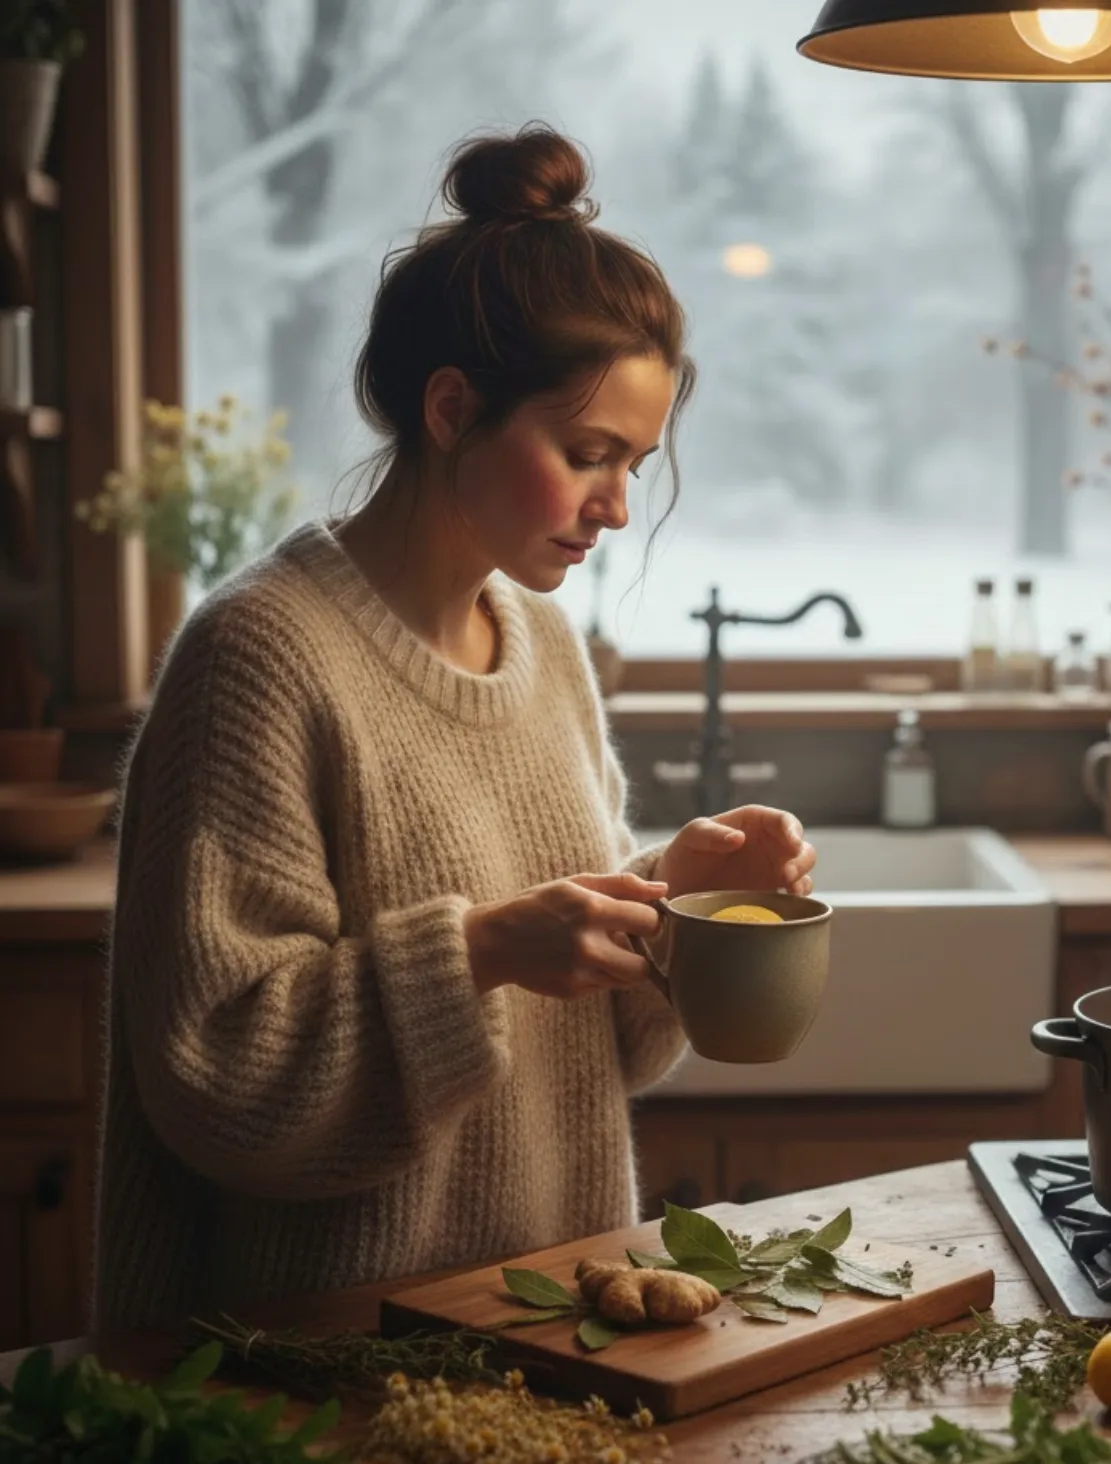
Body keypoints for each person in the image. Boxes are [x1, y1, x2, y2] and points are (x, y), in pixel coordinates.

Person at [92, 124, 816, 1333]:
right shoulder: (258, 657)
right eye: (589, 454)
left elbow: (591, 1054)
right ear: (450, 408)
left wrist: (671, 902)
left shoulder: (544, 649)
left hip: (550, 1330)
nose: (619, 508)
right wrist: (475, 953)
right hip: (317, 1363)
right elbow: (219, 1080)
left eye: (635, 463)